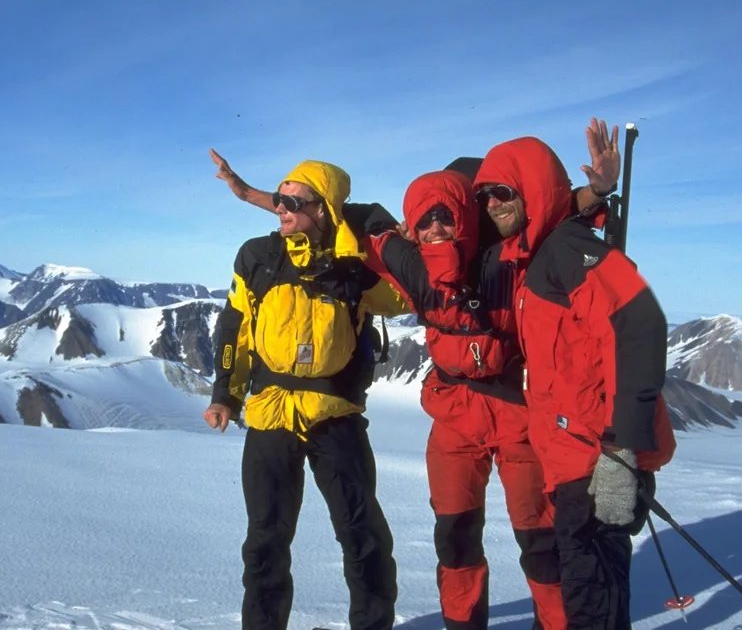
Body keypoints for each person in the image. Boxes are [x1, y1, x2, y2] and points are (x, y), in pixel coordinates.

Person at [208, 120, 621, 630]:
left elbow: (540, 212)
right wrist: (254, 195)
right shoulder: (289, 258)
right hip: (405, 412)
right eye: (424, 219)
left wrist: (596, 192)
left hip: (473, 411)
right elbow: (245, 315)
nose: (434, 228)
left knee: (526, 540)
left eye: (446, 216)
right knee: (443, 539)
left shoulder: (476, 255)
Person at [471, 131, 677, 629]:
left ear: (533, 191)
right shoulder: (538, 254)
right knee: (593, 601)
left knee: (591, 606)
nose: (492, 204)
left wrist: (620, 450)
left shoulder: (565, 250)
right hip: (574, 462)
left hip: (594, 463)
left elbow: (639, 321)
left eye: (503, 191)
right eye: (485, 195)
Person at [203, 158, 412, 630]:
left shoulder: (355, 265)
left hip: (335, 414)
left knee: (363, 534)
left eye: (294, 201)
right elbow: (235, 328)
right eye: (279, 199)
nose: (281, 208)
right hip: (270, 413)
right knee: (265, 540)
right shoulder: (257, 257)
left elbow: (406, 294)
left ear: (324, 209)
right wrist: (225, 396)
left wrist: (381, 235)